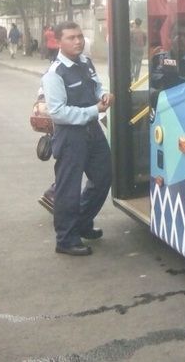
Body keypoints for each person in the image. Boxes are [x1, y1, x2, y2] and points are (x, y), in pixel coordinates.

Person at [41, 21, 113, 256]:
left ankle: (82, 223)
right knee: (68, 188)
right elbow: (58, 113)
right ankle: (66, 239)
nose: (78, 41)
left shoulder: (85, 62)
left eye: (80, 36)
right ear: (59, 41)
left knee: (103, 176)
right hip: (71, 135)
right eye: (71, 38)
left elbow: (96, 86)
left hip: (92, 130)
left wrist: (102, 95)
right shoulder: (55, 74)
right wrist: (94, 110)